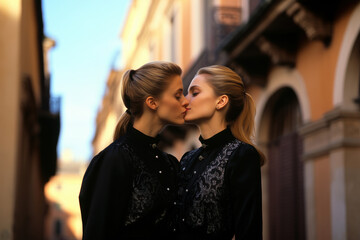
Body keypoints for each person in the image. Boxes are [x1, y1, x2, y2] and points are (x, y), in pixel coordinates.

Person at [79, 61, 189, 239]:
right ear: (152, 102)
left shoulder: (170, 164)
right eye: (178, 96)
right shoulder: (114, 159)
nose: (185, 101)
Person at [173, 65, 264, 239]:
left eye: (195, 93)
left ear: (221, 101)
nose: (185, 100)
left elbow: (249, 231)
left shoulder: (241, 154)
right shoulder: (187, 159)